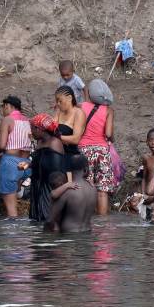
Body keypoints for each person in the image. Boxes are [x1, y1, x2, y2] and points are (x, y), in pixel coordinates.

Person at [0, 96, 32, 218]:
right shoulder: (28, 121)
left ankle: (11, 235)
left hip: (11, 164)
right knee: (14, 196)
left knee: (11, 211)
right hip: (26, 163)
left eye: (3, 107)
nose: (3, 111)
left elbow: (1, 145)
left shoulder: (7, 120)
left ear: (7, 106)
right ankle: (18, 191)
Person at [80, 79, 116, 215]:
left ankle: (85, 219)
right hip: (101, 151)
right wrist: (113, 139)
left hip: (83, 150)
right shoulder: (109, 110)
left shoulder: (81, 106)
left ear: (89, 93)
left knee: (86, 186)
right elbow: (108, 134)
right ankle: (103, 222)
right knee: (102, 190)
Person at [28, 113, 67, 222]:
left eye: (32, 128)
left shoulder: (55, 143)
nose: (31, 131)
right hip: (38, 185)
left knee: (49, 218)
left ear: (39, 129)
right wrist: (29, 165)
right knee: (36, 218)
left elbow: (57, 170)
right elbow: (40, 162)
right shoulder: (40, 142)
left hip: (49, 186)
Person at [45, 154, 97, 233]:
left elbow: (50, 220)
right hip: (87, 233)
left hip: (69, 236)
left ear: (68, 170)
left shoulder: (66, 191)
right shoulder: (93, 189)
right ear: (86, 170)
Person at [55, 85, 86, 156]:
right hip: (57, 151)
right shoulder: (59, 112)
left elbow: (76, 139)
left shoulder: (78, 113)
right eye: (57, 101)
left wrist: (57, 136)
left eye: (60, 101)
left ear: (69, 98)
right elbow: (51, 127)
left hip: (70, 154)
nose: (58, 104)